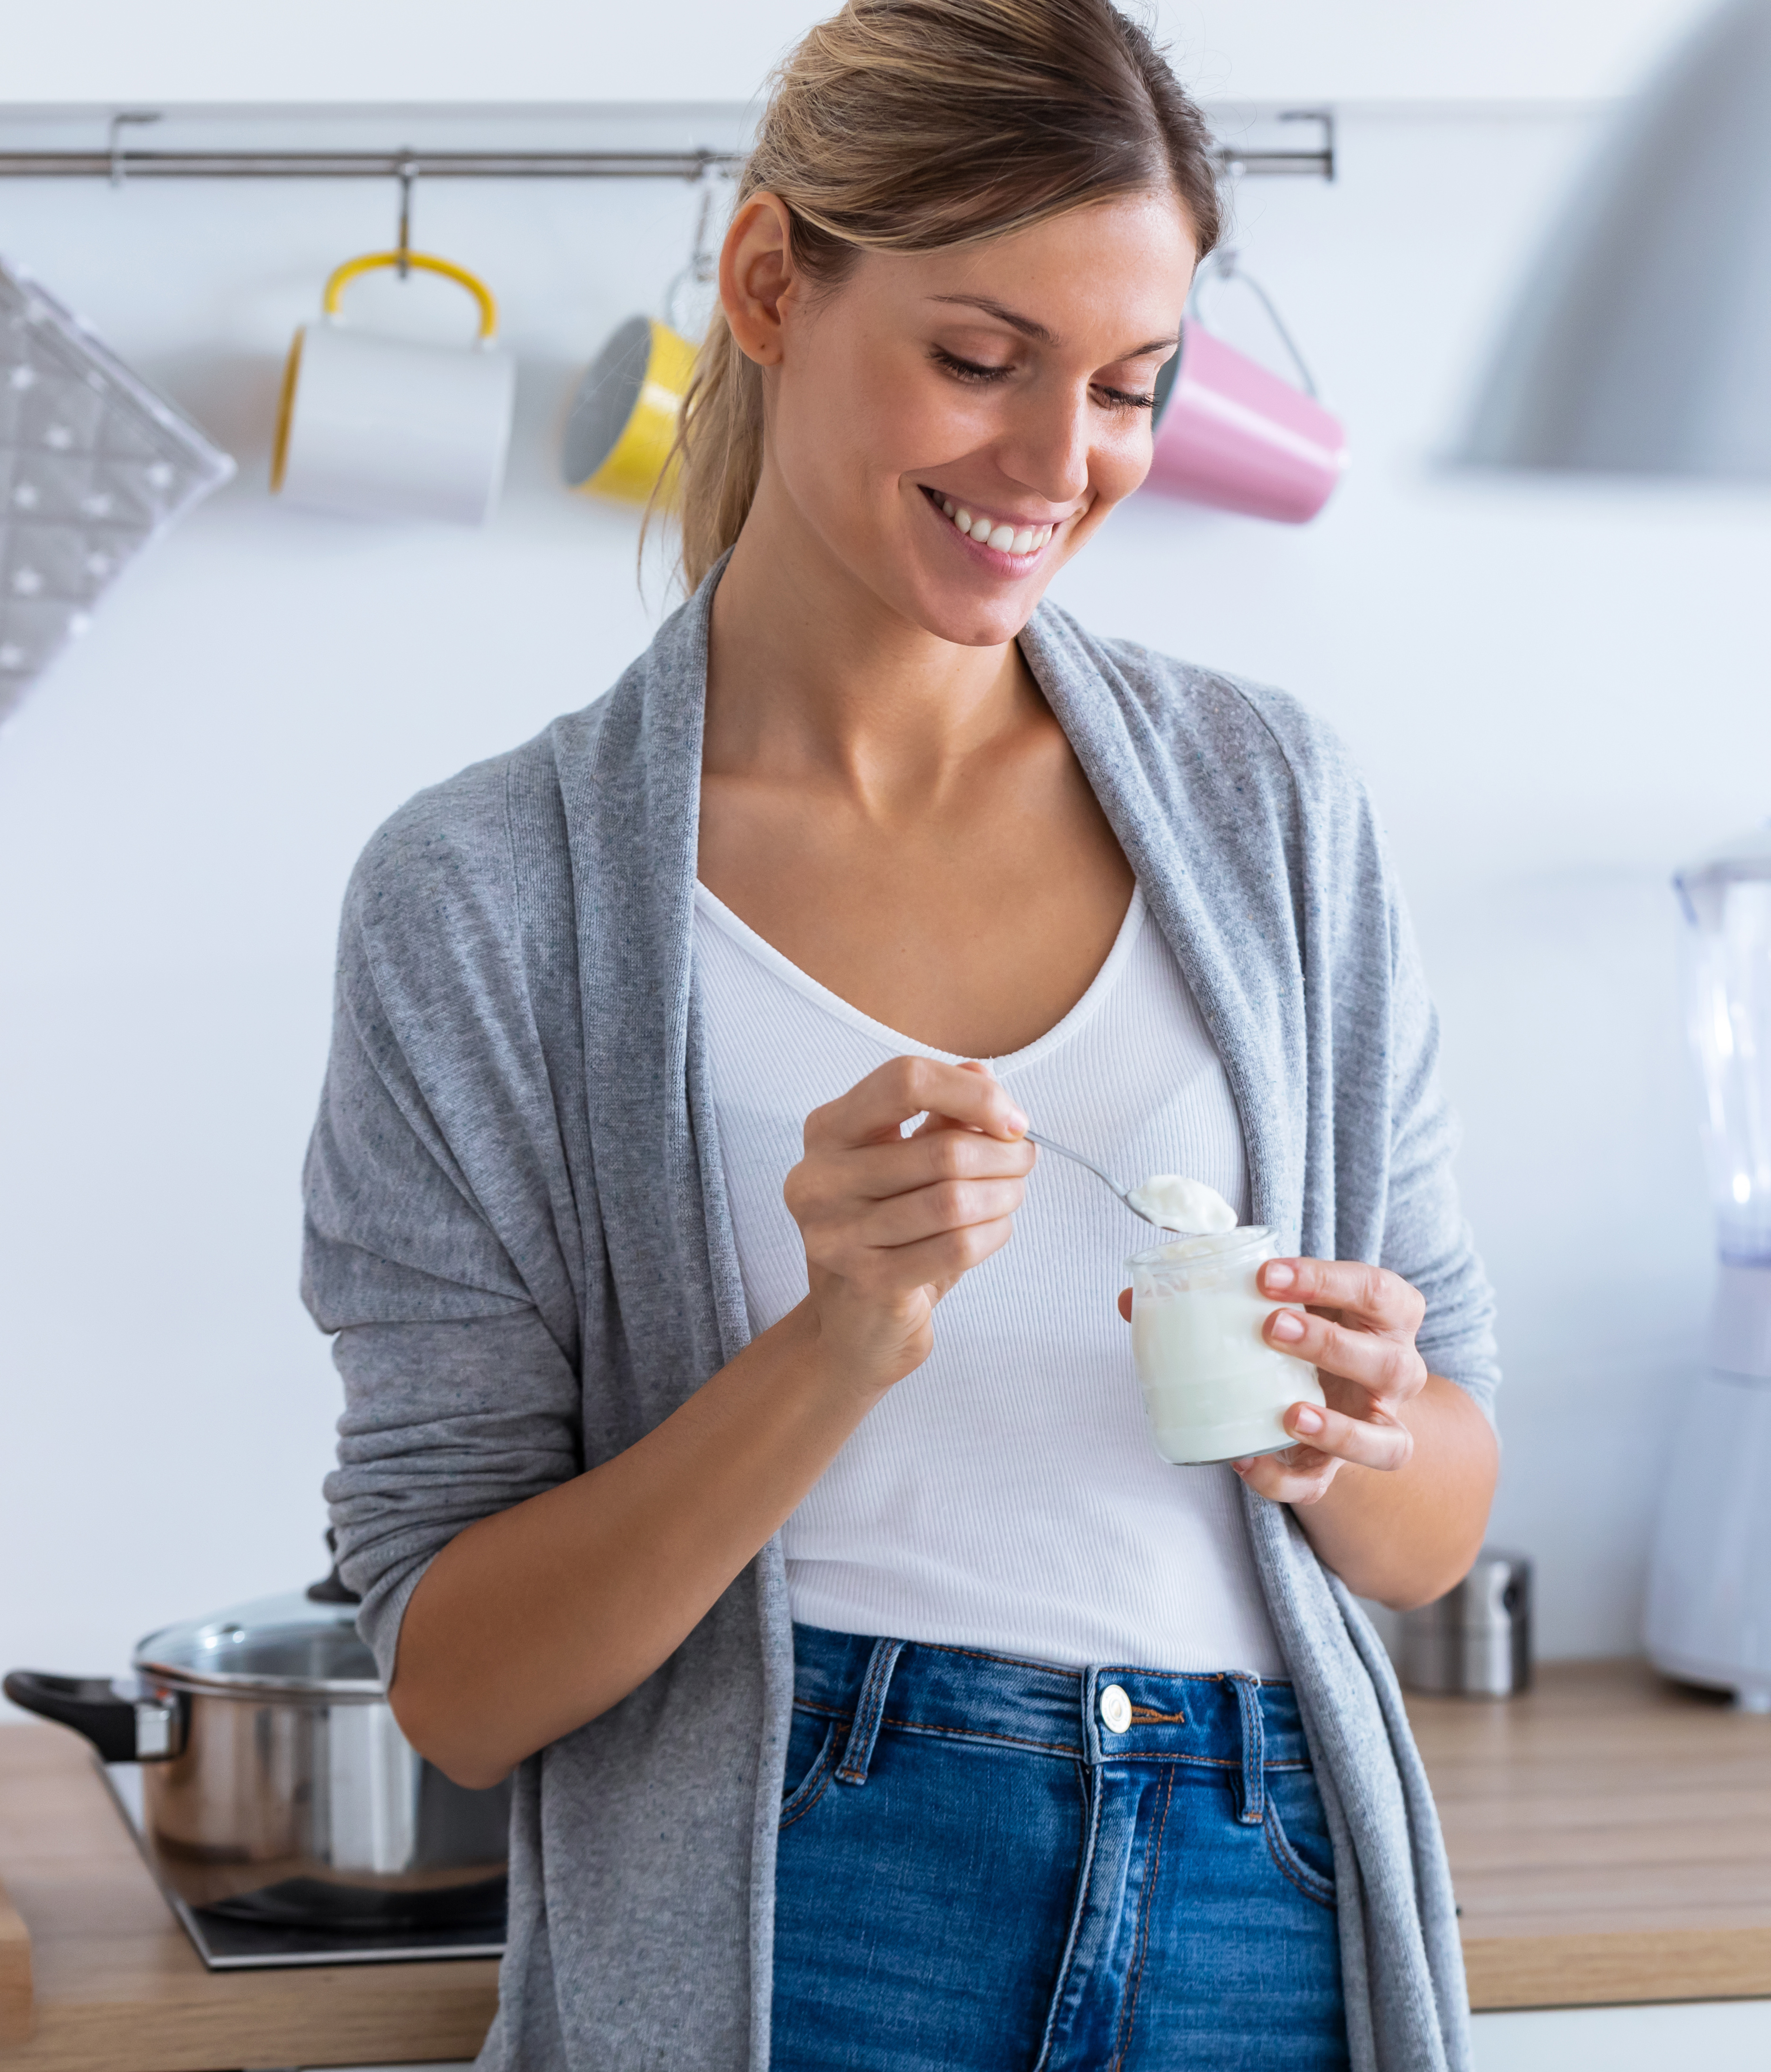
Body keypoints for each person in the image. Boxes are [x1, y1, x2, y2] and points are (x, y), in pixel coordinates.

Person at [303, 3, 1500, 2067]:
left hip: (1263, 1882)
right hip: (809, 1903)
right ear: (771, 287)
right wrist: (833, 1338)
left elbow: (1438, 1515)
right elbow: (458, 1686)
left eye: (1132, 389)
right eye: (979, 360)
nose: (1059, 470)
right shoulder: (489, 894)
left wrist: (1355, 1425)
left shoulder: (1270, 807)